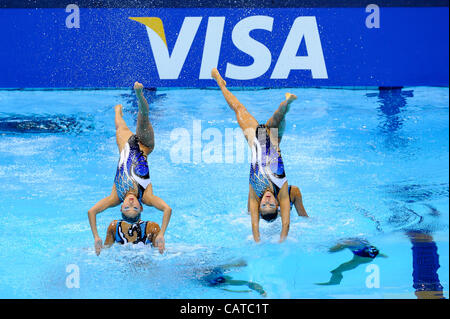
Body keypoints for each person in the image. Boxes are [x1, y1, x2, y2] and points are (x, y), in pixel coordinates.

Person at [211, 68, 308, 243]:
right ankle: (286, 104)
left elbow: (254, 225)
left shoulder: (254, 193)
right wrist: (281, 241)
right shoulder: (282, 189)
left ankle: (219, 81)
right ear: (278, 205)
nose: (268, 200)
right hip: (273, 139)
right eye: (271, 204)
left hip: (255, 136)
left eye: (264, 205)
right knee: (277, 120)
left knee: (238, 107)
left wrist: (257, 242)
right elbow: (286, 223)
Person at [88, 82, 172, 255]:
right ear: (141, 208)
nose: (131, 204)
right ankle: (140, 96)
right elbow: (167, 209)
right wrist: (162, 234)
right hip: (145, 146)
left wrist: (96, 237)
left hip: (126, 146)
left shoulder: (115, 196)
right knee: (144, 117)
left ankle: (118, 110)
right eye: (135, 208)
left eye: (127, 208)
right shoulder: (146, 197)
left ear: (121, 207)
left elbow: (92, 211)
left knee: (120, 124)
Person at [316, 238, 386, 286]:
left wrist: (325, 249)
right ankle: (379, 255)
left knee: (337, 271)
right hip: (367, 253)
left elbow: (334, 249)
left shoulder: (348, 242)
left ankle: (335, 282)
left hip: (363, 256)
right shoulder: (354, 241)